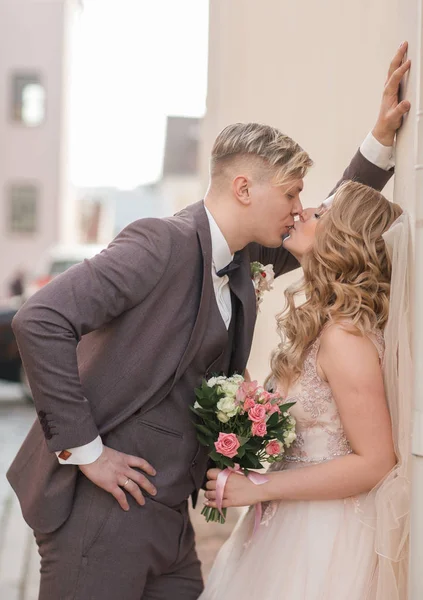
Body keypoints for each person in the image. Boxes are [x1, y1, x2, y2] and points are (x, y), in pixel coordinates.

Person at [6, 46, 409, 600]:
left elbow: (339, 222)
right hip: (103, 512)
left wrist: (381, 141)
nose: (299, 209)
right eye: (290, 194)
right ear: (245, 189)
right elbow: (40, 319)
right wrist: (86, 451)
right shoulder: (159, 243)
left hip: (171, 517)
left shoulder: (249, 258)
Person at [202, 182, 411, 600]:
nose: (304, 211)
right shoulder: (321, 325)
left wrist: (262, 487)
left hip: (325, 539)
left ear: (343, 239)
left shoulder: (345, 338)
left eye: (320, 212)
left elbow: (376, 462)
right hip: (287, 522)